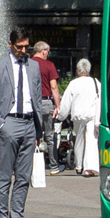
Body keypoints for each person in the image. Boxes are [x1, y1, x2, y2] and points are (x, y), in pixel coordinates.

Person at [0, 26, 42, 218]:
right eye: (19, 47)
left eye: (26, 46)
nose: (23, 51)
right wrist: (1, 124)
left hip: (28, 124)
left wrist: (38, 128)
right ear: (10, 44)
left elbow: (37, 97)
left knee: (24, 177)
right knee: (5, 176)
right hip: (9, 124)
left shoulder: (33, 67)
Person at [55, 58, 102, 177]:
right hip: (92, 115)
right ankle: (90, 167)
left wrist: (60, 116)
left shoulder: (73, 84)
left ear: (77, 70)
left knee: (79, 140)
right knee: (92, 140)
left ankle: (79, 166)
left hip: (78, 116)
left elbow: (66, 102)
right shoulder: (96, 82)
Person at [31, 42, 63, 176]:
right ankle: (54, 166)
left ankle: (30, 165)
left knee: (31, 135)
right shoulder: (49, 65)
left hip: (30, 103)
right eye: (48, 51)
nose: (48, 54)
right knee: (49, 135)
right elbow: (54, 87)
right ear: (43, 51)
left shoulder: (27, 63)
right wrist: (58, 106)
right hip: (45, 102)